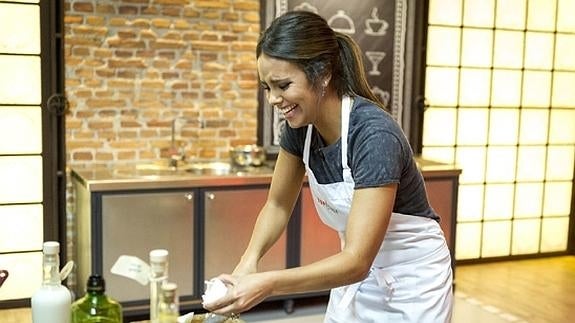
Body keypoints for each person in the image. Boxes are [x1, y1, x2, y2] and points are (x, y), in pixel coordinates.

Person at [203, 10, 453, 322]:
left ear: (322, 73)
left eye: (283, 85)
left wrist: (268, 283)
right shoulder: (299, 130)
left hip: (411, 282)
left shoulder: (374, 135)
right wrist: (248, 262)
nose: (273, 100)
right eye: (268, 88)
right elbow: (278, 204)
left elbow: (358, 260)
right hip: (352, 274)